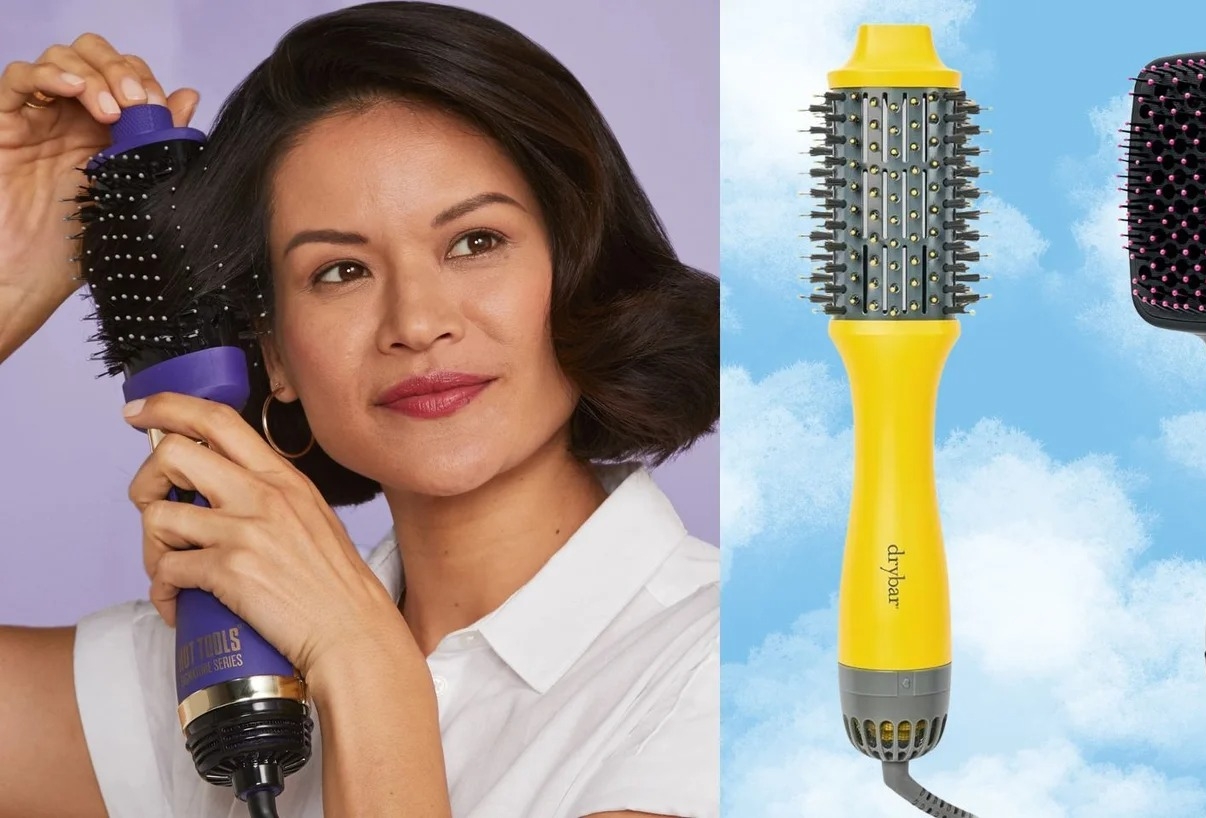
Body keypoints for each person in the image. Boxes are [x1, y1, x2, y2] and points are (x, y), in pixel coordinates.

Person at [0, 2, 719, 817]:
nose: (416, 322)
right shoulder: (223, 670)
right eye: (340, 272)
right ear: (274, 353)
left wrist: (362, 660)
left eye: (475, 242)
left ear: (582, 269)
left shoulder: (741, 670)